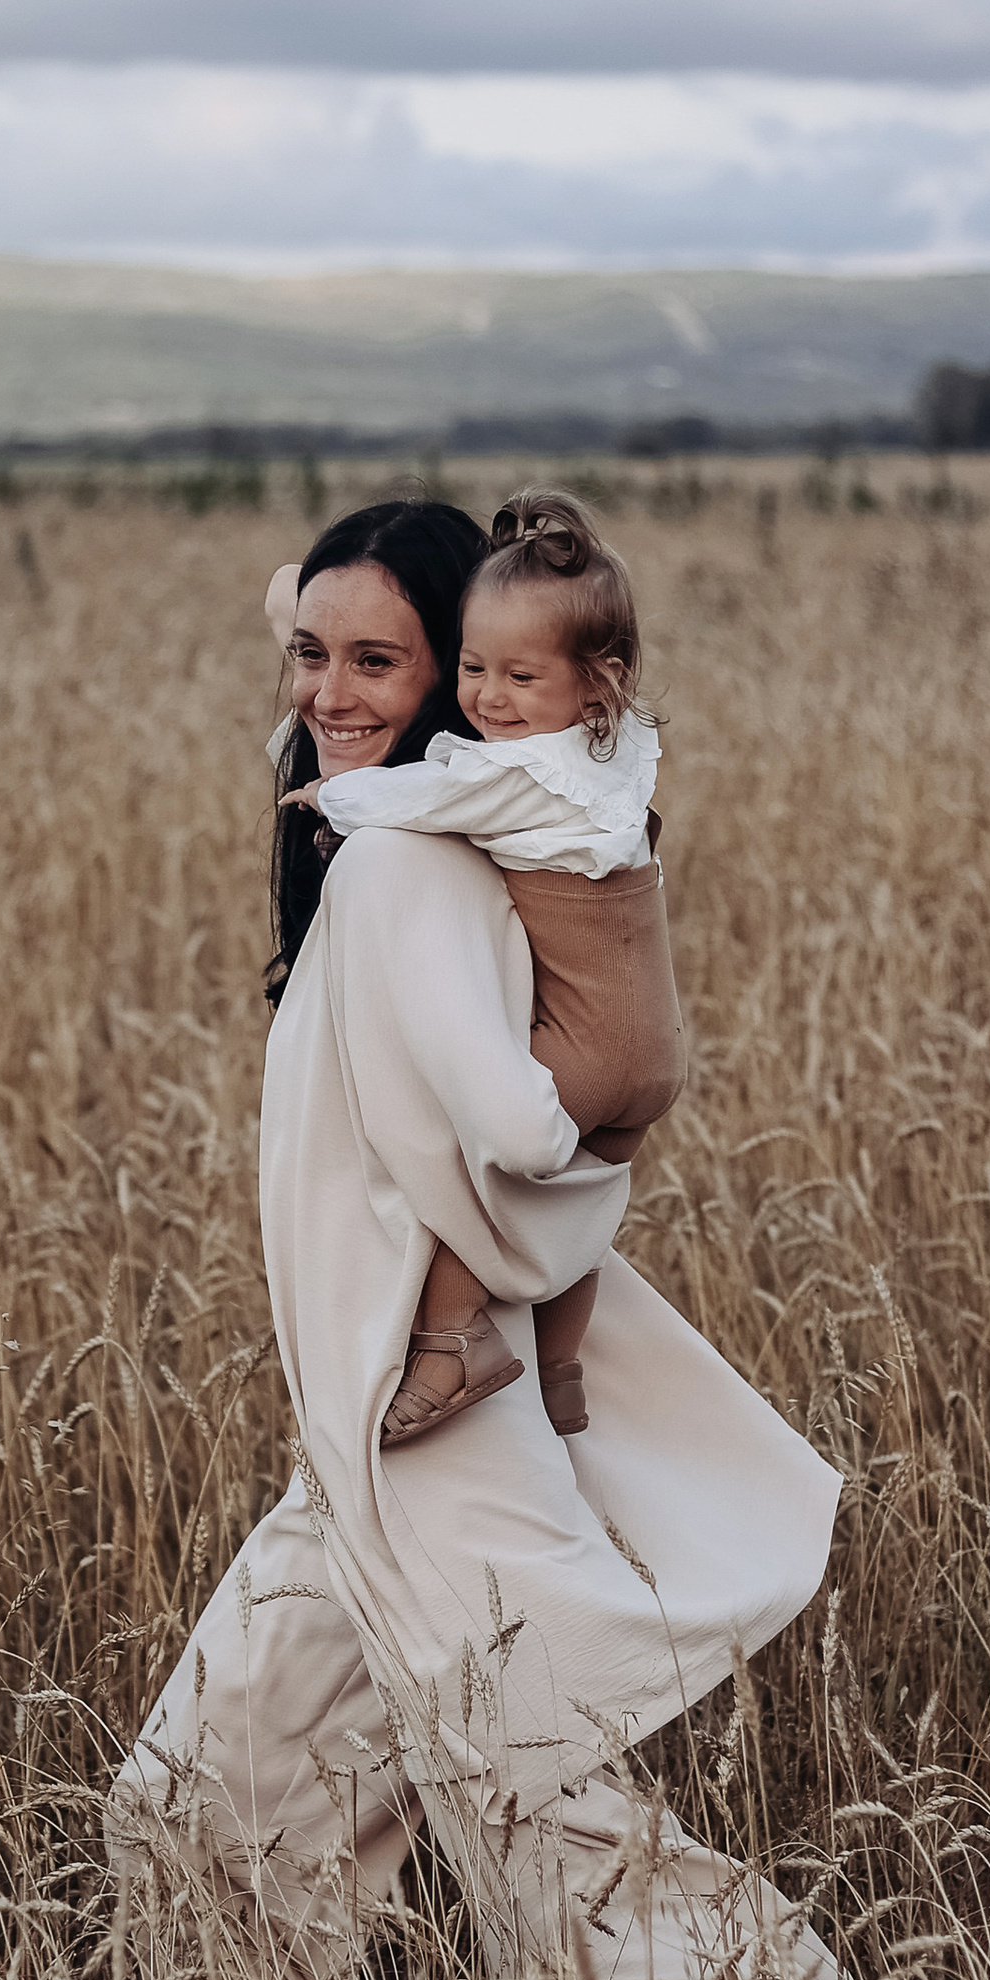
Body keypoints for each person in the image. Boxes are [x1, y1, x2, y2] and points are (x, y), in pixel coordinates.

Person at [110, 492, 990, 1980]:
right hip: (365, 1458)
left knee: (587, 1900)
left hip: (439, 1458)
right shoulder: (403, 837)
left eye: (380, 659)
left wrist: (466, 1318)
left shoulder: (405, 868)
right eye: (311, 654)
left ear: (460, 676)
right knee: (203, 1817)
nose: (330, 689)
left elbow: (550, 1144)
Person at [279, 489, 679, 1448]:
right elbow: (330, 654)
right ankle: (561, 1376)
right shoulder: (599, 747)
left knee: (513, 1181)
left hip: (568, 1071)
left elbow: (516, 1142)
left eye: (377, 660)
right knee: (583, 1211)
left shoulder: (454, 822)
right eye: (307, 651)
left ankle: (460, 1342)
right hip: (646, 1045)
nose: (489, 698)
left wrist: (338, 799)